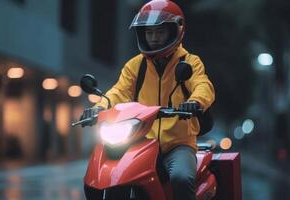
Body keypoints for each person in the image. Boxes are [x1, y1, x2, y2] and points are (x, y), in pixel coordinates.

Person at [81, 1, 215, 199]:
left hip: (177, 145)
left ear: (175, 30)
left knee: (181, 177)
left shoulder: (189, 62)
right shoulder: (135, 65)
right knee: (114, 175)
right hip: (140, 141)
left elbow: (203, 85)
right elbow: (118, 91)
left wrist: (195, 102)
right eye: (148, 33)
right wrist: (99, 108)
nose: (153, 38)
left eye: (159, 32)